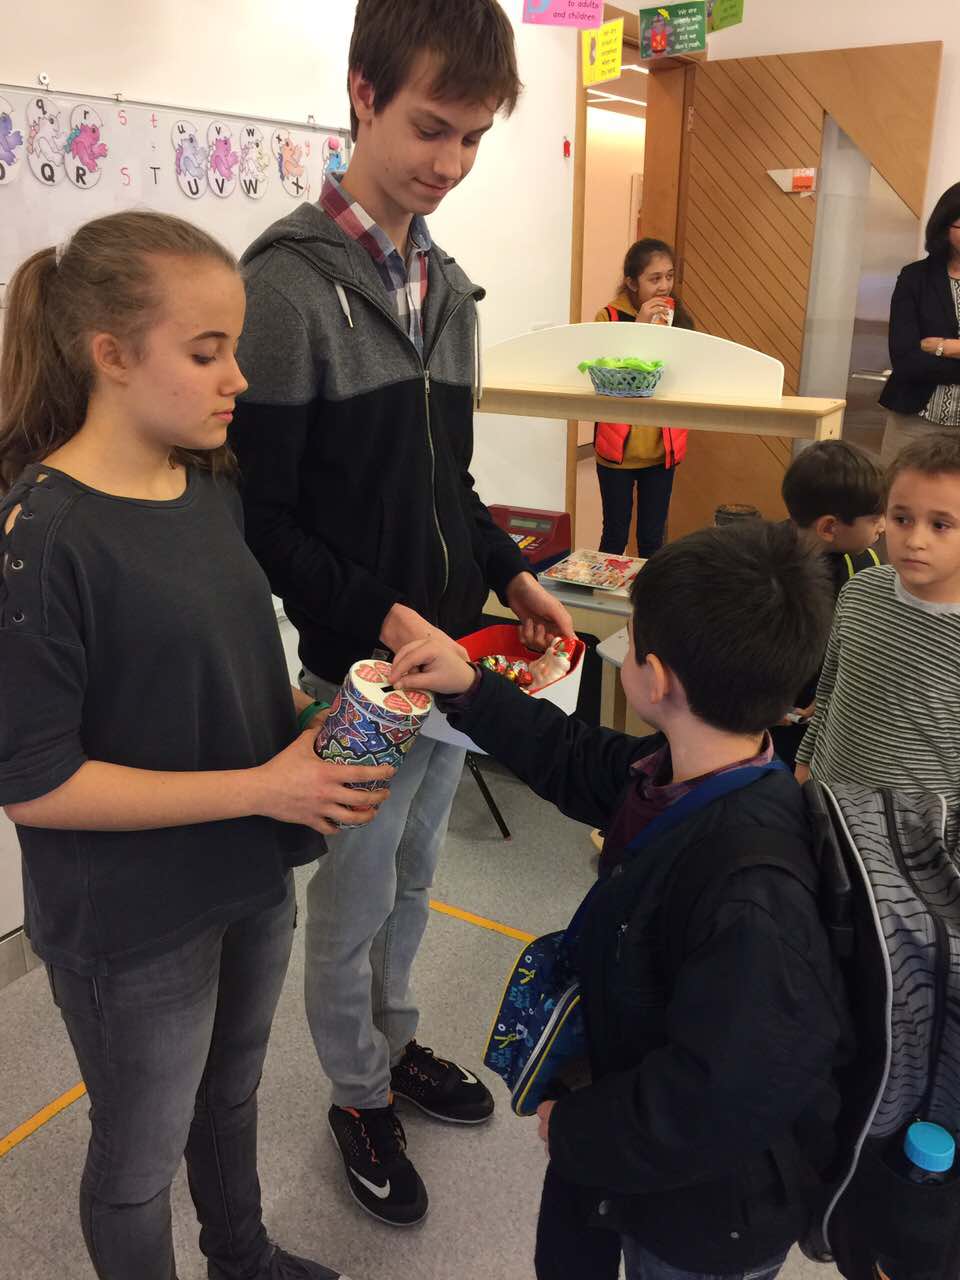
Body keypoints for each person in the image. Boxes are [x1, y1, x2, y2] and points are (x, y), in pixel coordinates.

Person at [229, 0, 574, 1228]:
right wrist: (383, 620)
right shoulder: (282, 289)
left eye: (474, 138)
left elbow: (452, 487)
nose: (451, 162)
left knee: (418, 873)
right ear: (364, 93)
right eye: (432, 127)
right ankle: (356, 1089)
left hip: (458, 663)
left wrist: (512, 573)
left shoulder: (450, 287)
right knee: (352, 893)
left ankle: (394, 1037)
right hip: (362, 679)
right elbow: (262, 519)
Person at [0, 211, 394, 1280]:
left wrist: (309, 726)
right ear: (112, 354)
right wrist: (264, 784)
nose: (239, 380)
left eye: (236, 349)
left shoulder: (207, 485)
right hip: (132, 918)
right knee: (137, 1160)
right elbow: (36, 783)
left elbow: (207, 679)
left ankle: (242, 1254)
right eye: (208, 352)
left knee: (231, 1095)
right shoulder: (41, 537)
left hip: (245, 871)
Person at [391, 521, 850, 1280]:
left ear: (656, 679)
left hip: (702, 1217)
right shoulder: (681, 771)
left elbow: (720, 1096)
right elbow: (574, 757)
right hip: (630, 1136)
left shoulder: (756, 896)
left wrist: (576, 1129)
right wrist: (471, 684)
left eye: (630, 640)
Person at [796, 431, 960, 852]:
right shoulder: (860, 591)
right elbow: (829, 693)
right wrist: (804, 764)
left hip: (919, 849)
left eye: (940, 525)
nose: (915, 539)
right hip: (826, 810)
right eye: (902, 518)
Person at [771, 440, 885, 767]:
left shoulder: (865, 566)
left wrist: (829, 698)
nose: (884, 526)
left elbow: (861, 647)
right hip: (760, 713)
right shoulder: (762, 564)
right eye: (875, 518)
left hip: (820, 718)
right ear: (829, 527)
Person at [593, 239, 695, 557]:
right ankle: (604, 592)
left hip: (662, 447)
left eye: (669, 276)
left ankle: (651, 591)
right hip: (616, 448)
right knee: (614, 535)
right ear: (632, 282)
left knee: (652, 539)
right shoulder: (608, 317)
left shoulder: (678, 318)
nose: (664, 286)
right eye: (654, 278)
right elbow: (605, 377)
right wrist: (639, 328)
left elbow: (687, 373)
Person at [879, 182, 960, 462]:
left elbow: (924, 354)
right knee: (898, 487)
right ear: (944, 227)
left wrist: (946, 347)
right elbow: (905, 358)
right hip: (915, 420)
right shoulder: (915, 278)